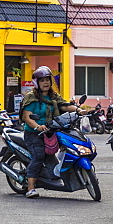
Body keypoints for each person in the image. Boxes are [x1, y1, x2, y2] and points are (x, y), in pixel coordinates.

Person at [19, 66, 78, 199]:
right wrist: (37, 127)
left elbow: (64, 105)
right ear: (37, 83)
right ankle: (30, 188)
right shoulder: (31, 97)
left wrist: (79, 110)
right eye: (42, 81)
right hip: (33, 134)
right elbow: (26, 117)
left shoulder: (54, 96)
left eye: (47, 80)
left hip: (50, 132)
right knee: (39, 156)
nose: (45, 83)